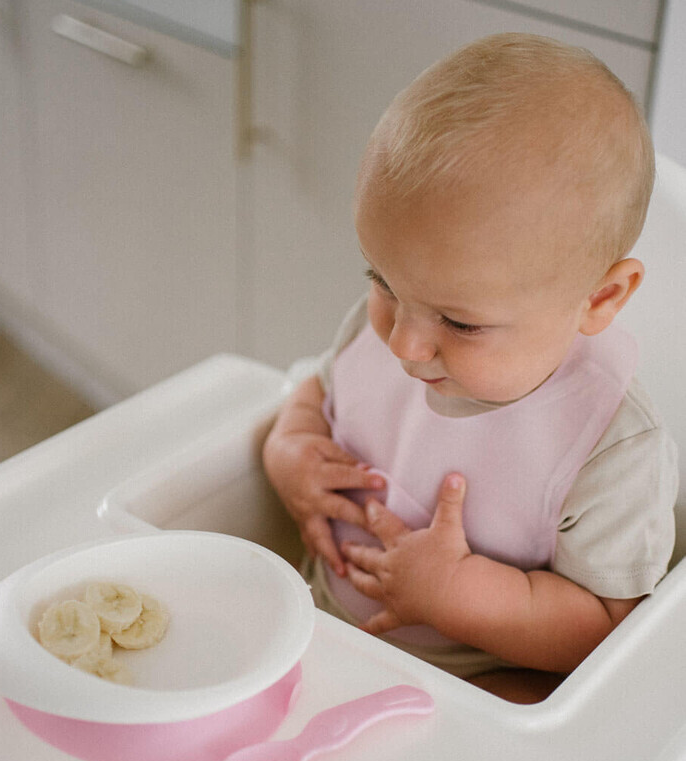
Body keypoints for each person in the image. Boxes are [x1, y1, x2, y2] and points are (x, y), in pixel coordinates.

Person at [262, 33, 678, 704]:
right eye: (383, 282)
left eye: (460, 324)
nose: (404, 344)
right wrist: (292, 451)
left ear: (600, 298)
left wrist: (457, 596)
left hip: (470, 689)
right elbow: (315, 391)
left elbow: (609, 629)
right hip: (313, 625)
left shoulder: (611, 451)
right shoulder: (392, 328)